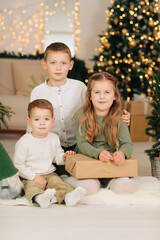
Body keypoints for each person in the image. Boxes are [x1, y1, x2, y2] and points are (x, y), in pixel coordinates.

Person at [29, 42, 130, 175]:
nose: (58, 68)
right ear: (44, 64)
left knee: (79, 174)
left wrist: (119, 117)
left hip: (79, 144)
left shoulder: (80, 87)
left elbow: (95, 108)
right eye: (53, 63)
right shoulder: (38, 92)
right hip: (50, 146)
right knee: (49, 174)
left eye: (63, 63)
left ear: (70, 65)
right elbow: (32, 122)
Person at [64, 72, 136, 194]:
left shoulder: (119, 117)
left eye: (107, 92)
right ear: (90, 96)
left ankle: (107, 182)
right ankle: (67, 180)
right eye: (97, 92)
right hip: (87, 158)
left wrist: (122, 154)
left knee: (124, 188)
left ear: (114, 96)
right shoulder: (82, 115)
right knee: (90, 188)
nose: (102, 97)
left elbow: (127, 143)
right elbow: (82, 143)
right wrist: (98, 154)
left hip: (109, 161)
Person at [13, 99, 86, 208]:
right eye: (37, 119)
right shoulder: (24, 142)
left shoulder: (53, 138)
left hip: (49, 173)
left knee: (59, 184)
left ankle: (68, 197)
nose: (42, 123)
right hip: (30, 176)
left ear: (52, 121)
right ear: (29, 122)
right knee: (32, 187)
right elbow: (18, 165)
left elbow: (56, 157)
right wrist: (34, 177)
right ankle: (40, 198)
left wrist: (63, 157)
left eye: (46, 119)